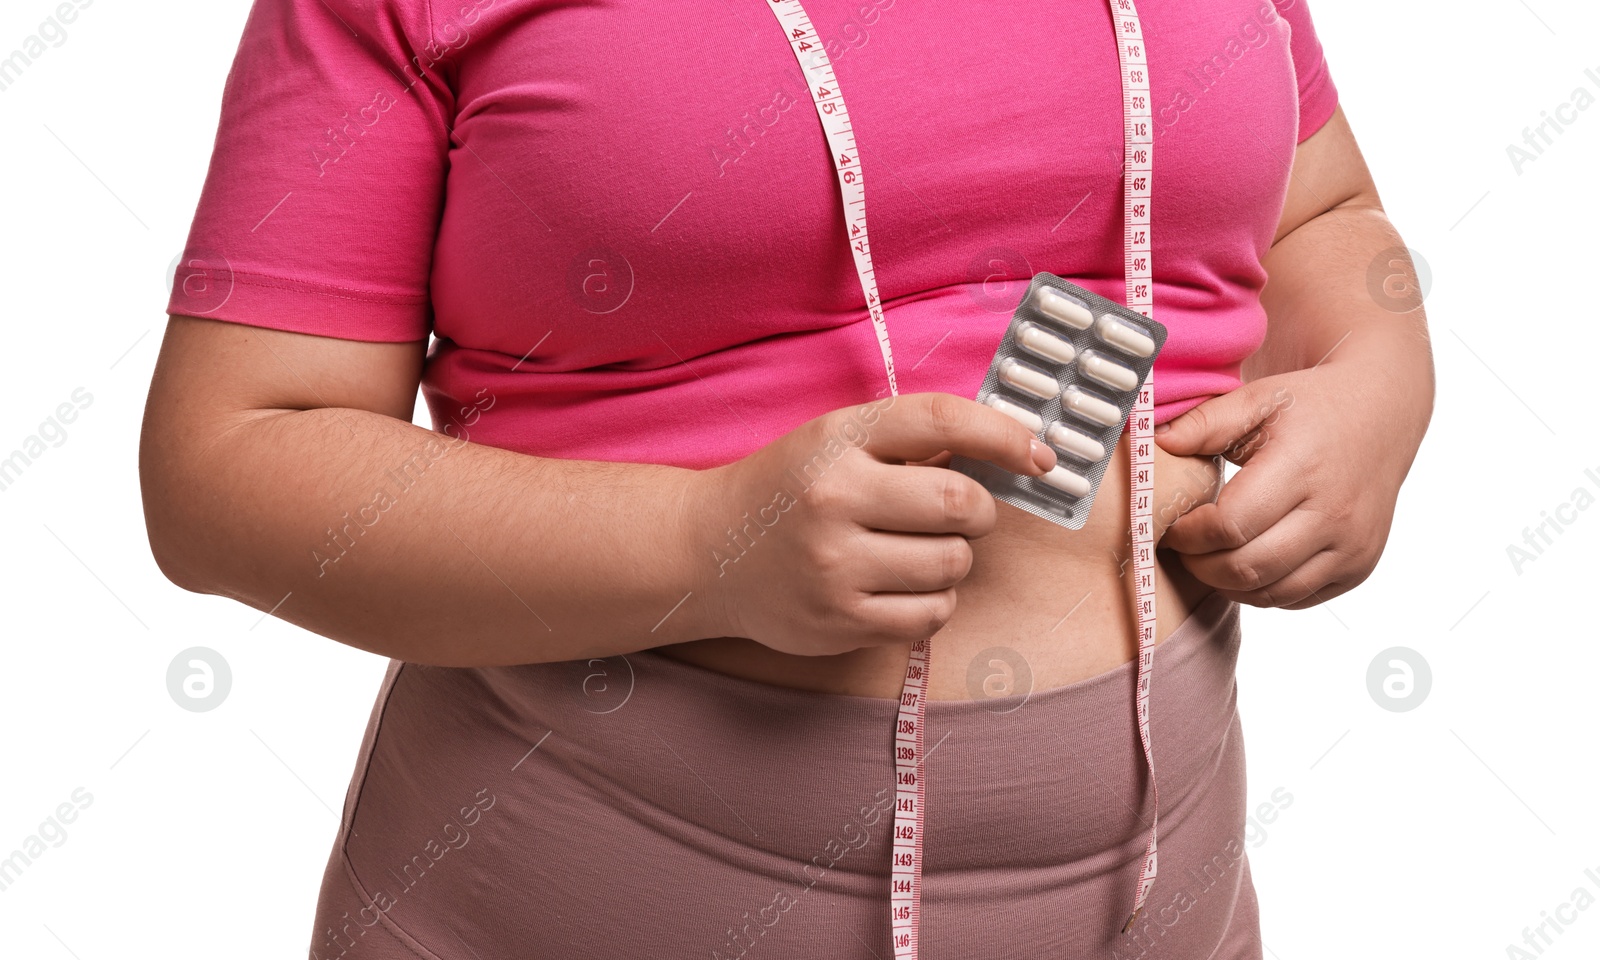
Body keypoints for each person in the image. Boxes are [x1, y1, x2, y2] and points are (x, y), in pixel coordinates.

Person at [140, 0, 1432, 956]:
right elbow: (228, 462)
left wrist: (1378, 383)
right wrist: (704, 545)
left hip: (1169, 900)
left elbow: (1322, 214)